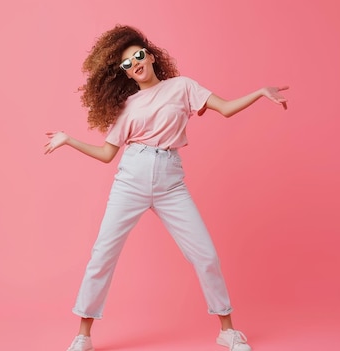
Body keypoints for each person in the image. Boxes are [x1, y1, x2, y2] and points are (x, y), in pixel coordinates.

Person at [45, 24, 288, 351]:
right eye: (127, 64)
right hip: (131, 177)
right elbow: (106, 155)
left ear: (152, 55)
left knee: (205, 255)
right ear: (125, 74)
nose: (136, 64)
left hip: (170, 180)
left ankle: (227, 331)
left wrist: (260, 92)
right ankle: (83, 335)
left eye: (139, 56)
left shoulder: (183, 87)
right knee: (103, 254)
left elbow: (226, 108)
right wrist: (68, 140)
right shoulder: (128, 107)